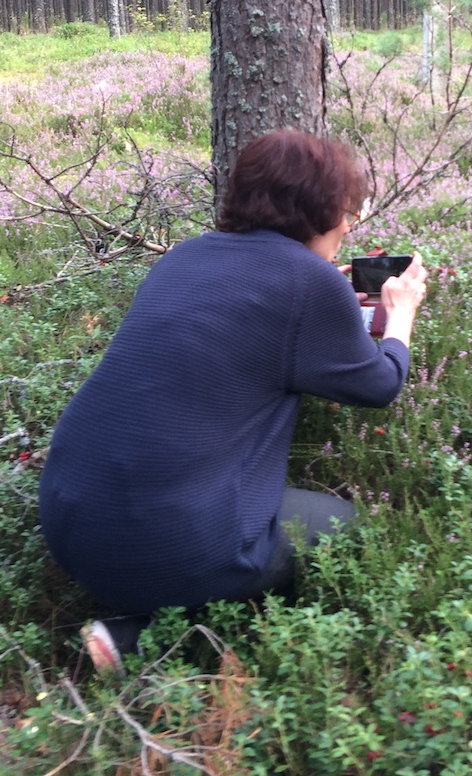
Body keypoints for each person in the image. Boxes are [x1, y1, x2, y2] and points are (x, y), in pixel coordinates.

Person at [38, 128, 428, 672]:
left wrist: (322, 293)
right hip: (168, 545)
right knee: (348, 528)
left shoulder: (183, 257)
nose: (349, 224)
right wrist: (402, 312)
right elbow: (380, 384)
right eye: (347, 211)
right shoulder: (312, 285)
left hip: (65, 523)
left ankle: (139, 604)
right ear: (318, 210)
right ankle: (146, 638)